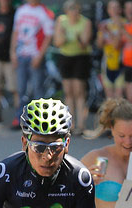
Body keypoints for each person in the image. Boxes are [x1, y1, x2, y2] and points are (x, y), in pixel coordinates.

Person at [10, 0, 54, 128]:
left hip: (35, 55)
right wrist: (12, 51)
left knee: (37, 88)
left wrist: (39, 56)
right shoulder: (21, 10)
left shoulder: (44, 13)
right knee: (20, 88)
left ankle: (38, 120)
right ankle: (19, 117)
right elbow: (15, 31)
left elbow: (48, 36)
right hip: (21, 54)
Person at [54, 0, 92, 135]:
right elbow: (57, 42)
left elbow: (84, 43)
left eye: (75, 9)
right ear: (66, 10)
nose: (73, 12)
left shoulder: (85, 22)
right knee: (68, 91)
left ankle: (81, 125)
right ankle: (69, 124)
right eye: (70, 9)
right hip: (66, 58)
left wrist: (77, 38)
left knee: (79, 91)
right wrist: (63, 36)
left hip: (81, 58)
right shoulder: (61, 21)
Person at [97, 0, 125, 101]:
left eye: (116, 7)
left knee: (119, 97)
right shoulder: (105, 23)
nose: (114, 10)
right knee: (109, 98)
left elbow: (117, 45)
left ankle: (119, 117)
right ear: (108, 10)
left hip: (121, 63)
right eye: (111, 8)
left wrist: (107, 32)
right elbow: (99, 45)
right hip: (107, 63)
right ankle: (111, 117)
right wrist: (102, 33)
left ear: (121, 9)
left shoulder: (125, 23)